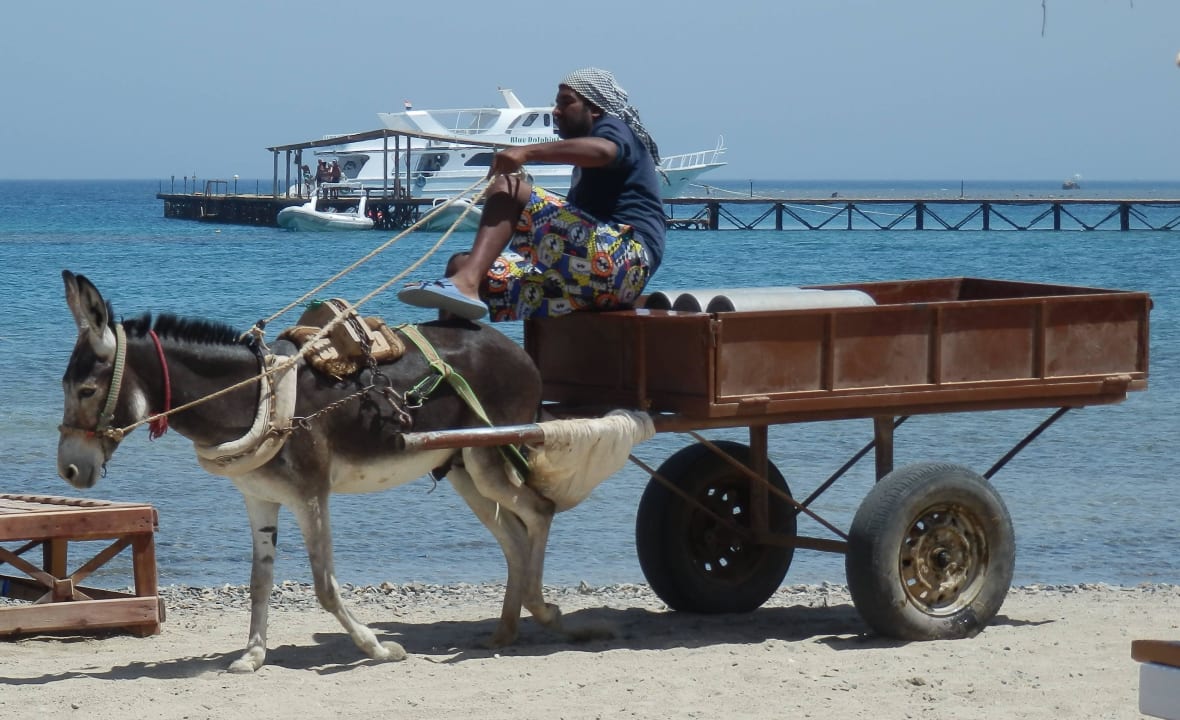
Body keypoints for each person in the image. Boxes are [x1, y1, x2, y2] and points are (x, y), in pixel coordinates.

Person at [398, 67, 665, 322]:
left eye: (565, 103)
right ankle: (452, 360)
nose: (556, 111)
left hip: (627, 263)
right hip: (590, 284)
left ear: (594, 108)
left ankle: (466, 282)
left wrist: (527, 152)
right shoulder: (585, 172)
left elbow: (605, 151)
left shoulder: (613, 127)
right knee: (461, 263)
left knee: (507, 187)